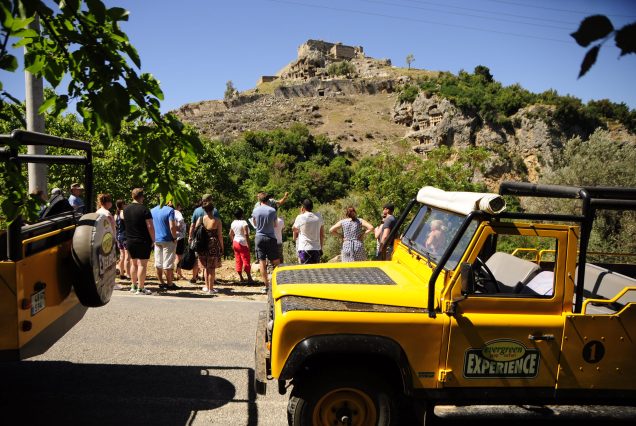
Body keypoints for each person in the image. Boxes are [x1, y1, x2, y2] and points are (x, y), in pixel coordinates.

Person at [123, 188, 155, 295]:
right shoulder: (144, 209)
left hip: (130, 240)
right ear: (141, 197)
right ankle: (141, 288)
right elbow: (150, 226)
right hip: (143, 240)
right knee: (142, 265)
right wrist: (153, 239)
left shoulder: (126, 209)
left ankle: (133, 285)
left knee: (134, 263)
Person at [251, 192, 280, 292]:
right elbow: (275, 225)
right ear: (268, 200)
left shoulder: (255, 210)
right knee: (276, 261)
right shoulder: (272, 210)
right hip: (271, 237)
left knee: (262, 262)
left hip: (259, 237)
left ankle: (267, 286)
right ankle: (278, 283)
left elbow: (254, 223)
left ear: (259, 200)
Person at [189, 194, 220, 284]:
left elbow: (192, 225)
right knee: (210, 263)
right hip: (211, 240)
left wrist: (191, 237)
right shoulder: (214, 210)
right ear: (210, 200)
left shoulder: (196, 211)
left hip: (200, 240)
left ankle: (194, 277)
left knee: (198, 259)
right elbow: (217, 226)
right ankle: (209, 281)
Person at [195, 200, 223, 294]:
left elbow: (196, 231)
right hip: (213, 244)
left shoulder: (201, 219)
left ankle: (207, 287)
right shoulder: (217, 220)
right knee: (212, 268)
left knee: (206, 267)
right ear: (213, 209)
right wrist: (222, 247)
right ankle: (211, 289)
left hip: (202, 244)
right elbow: (220, 235)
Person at [151, 199, 178, 291]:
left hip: (156, 239)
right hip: (168, 239)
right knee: (168, 263)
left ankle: (161, 283)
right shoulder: (170, 210)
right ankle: (170, 284)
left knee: (158, 263)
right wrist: (174, 237)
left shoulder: (152, 210)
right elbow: (172, 226)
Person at [292, 199, 324, 264]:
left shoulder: (300, 217)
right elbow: (322, 234)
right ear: (312, 207)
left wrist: (301, 213)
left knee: (305, 271)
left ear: (303, 208)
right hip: (316, 248)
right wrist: (321, 248)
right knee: (316, 271)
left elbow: (293, 229)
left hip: (304, 248)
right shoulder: (319, 217)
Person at [229, 207, 253, 283]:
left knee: (238, 260)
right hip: (243, 243)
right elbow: (246, 234)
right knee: (246, 259)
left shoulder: (233, 222)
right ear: (242, 214)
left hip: (235, 242)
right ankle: (249, 278)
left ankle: (241, 278)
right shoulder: (244, 222)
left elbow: (230, 234)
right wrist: (248, 244)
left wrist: (233, 241)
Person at [115, 199, 130, 280]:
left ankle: (121, 273)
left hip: (118, 236)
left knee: (122, 255)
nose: (126, 205)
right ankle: (128, 274)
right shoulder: (122, 213)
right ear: (122, 205)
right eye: (125, 204)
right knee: (127, 256)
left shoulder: (115, 214)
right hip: (125, 236)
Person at [174, 203, 187, 280]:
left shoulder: (170, 212)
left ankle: (177, 273)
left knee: (174, 255)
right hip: (179, 236)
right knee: (179, 256)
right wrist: (179, 228)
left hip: (172, 236)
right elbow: (181, 221)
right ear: (178, 206)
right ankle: (178, 272)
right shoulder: (177, 212)